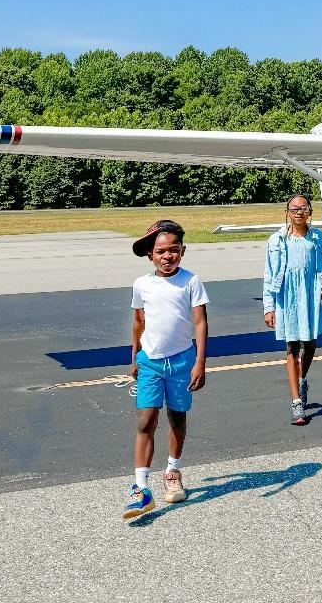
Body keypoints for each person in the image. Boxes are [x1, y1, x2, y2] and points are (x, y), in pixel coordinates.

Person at [123, 219, 209, 521]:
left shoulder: (191, 281)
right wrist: (134, 356)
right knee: (146, 419)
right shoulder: (142, 284)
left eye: (174, 250)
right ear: (151, 255)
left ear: (182, 252)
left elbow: (200, 322)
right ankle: (141, 487)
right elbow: (138, 322)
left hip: (182, 361)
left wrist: (200, 361)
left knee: (177, 417)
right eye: (161, 251)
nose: (167, 256)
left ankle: (172, 471)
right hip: (150, 362)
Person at [263, 194, 322, 425]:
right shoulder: (276, 241)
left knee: (309, 344)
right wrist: (268, 307)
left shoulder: (318, 238)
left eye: (304, 208)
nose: (299, 212)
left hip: (309, 296)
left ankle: (302, 380)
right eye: (294, 208)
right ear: (287, 212)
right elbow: (269, 275)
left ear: (310, 212)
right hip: (286, 297)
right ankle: (296, 402)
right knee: (291, 345)